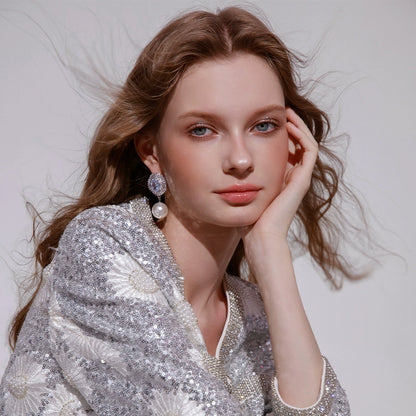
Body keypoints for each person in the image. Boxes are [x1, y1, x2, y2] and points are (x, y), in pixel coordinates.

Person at [0, 6, 355, 415]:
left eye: (263, 126)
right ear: (151, 152)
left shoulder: (253, 311)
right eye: (202, 130)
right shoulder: (102, 248)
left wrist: (271, 249)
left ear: (292, 145)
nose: (240, 160)